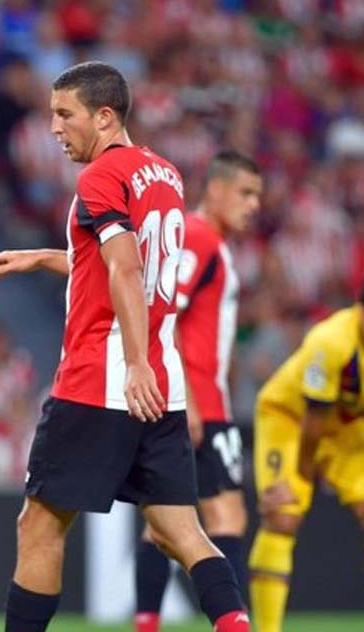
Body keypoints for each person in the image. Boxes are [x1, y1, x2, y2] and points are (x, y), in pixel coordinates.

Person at [0, 62, 249, 632]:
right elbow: (128, 264)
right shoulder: (164, 174)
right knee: (183, 532)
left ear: (104, 116)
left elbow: (125, 268)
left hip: (106, 377)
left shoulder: (99, 178)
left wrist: (135, 363)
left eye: (64, 114)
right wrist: (46, 258)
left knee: (40, 526)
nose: (54, 127)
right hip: (163, 385)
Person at [134, 151, 263, 632]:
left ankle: (146, 622)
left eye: (258, 196)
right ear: (216, 189)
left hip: (193, 397)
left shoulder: (205, 240)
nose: (253, 205)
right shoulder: (200, 238)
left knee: (165, 523)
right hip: (198, 402)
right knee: (225, 514)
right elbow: (166, 311)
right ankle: (233, 621)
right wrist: (184, 397)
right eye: (245, 193)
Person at [248, 269, 364, 632]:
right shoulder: (330, 341)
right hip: (290, 419)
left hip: (346, 424)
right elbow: (313, 420)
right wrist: (301, 479)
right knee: (283, 514)